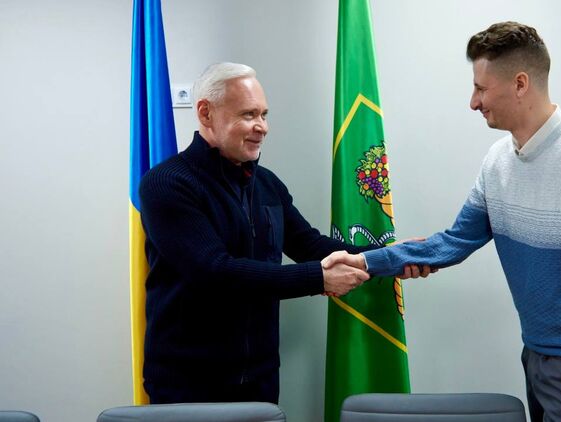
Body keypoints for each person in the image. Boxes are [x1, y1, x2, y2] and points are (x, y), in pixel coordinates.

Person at [323, 22, 561, 422]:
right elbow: (453, 242)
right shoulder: (498, 161)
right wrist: (366, 261)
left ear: (520, 83)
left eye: (481, 89)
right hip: (536, 358)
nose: (474, 102)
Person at [139, 62, 427, 405]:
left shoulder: (267, 184)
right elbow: (214, 271)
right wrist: (318, 279)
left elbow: (310, 245)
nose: (262, 127)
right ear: (205, 113)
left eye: (263, 114)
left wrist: (389, 257)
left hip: (259, 381)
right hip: (187, 384)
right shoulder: (167, 184)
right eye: (248, 115)